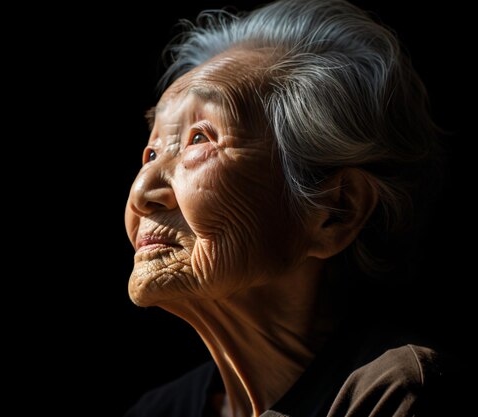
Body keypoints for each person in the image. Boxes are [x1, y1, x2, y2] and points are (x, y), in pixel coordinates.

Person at [123, 0, 447, 415]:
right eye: (150, 154)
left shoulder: (391, 395)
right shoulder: (158, 411)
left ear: (335, 211)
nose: (141, 190)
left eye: (200, 139)